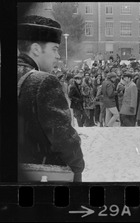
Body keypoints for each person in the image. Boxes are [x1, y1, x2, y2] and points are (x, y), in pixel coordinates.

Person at [17, 15, 84, 182]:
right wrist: (77, 167)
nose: (58, 56)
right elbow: (64, 138)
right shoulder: (43, 82)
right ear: (36, 49)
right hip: (41, 175)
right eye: (54, 48)